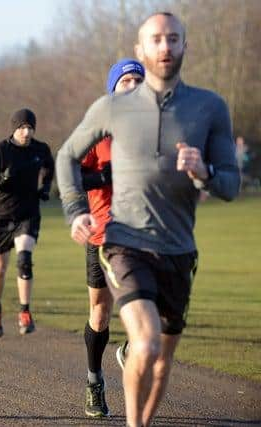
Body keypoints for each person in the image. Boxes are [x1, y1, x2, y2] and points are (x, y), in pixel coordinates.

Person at [56, 12, 239, 427]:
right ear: (141, 48)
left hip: (178, 249)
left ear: (184, 47)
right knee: (147, 340)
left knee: (160, 360)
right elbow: (66, 156)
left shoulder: (210, 108)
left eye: (173, 38)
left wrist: (205, 172)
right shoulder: (110, 108)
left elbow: (230, 184)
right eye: (155, 39)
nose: (165, 46)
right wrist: (75, 210)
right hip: (123, 242)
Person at [75, 58, 145, 418]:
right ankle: (94, 380)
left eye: (138, 80)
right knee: (100, 313)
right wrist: (100, 178)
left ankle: (133, 348)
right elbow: (71, 174)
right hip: (102, 233)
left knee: (151, 305)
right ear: (113, 89)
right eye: (126, 80)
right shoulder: (96, 131)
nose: (132, 85)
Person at [0, 108, 54, 338]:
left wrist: (44, 188)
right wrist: (2, 178)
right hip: (1, 214)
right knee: (0, 267)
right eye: (22, 127)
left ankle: (25, 311)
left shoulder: (40, 149)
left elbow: (49, 167)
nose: (26, 132)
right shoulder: (1, 150)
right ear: (14, 128)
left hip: (28, 213)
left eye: (30, 128)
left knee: (24, 260)